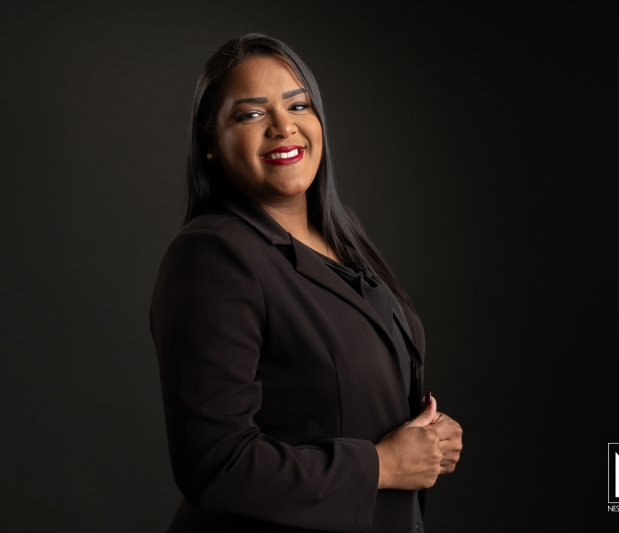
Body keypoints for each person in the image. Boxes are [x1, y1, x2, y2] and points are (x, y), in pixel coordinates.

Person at [150, 33, 463, 533]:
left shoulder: (343, 233)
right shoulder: (213, 254)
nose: (283, 126)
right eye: (250, 114)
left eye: (298, 105)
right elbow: (216, 464)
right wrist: (383, 465)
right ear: (209, 142)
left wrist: (427, 440)